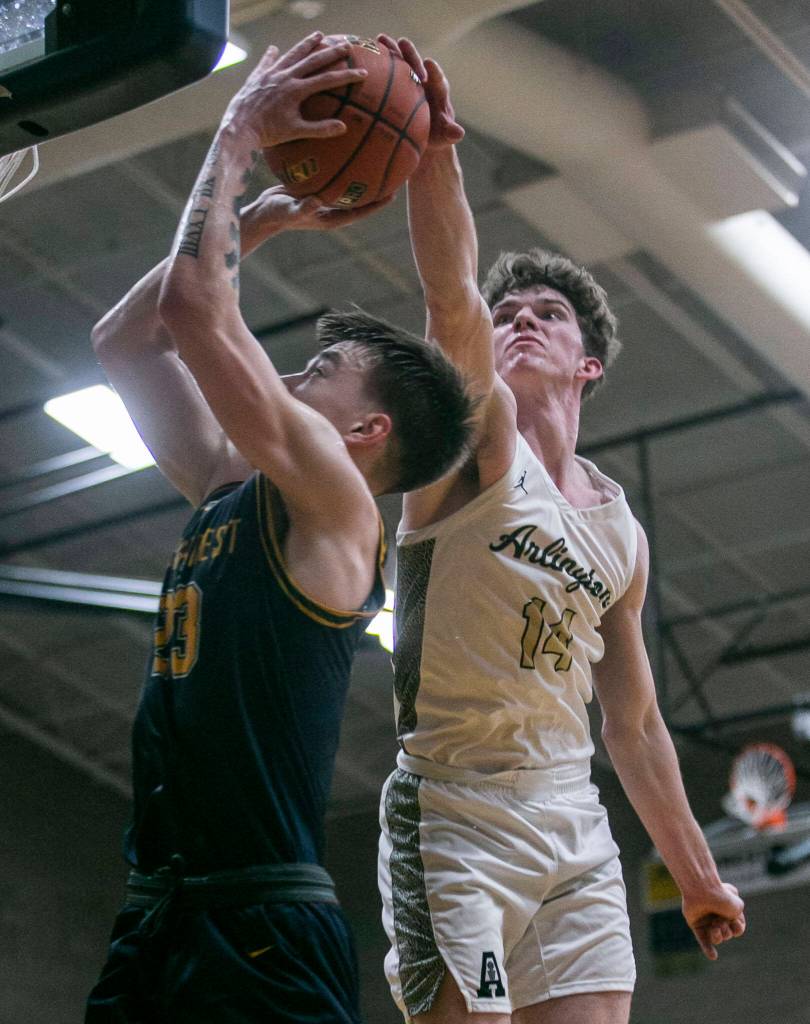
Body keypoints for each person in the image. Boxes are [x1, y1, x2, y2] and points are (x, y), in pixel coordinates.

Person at [84, 34, 475, 1024]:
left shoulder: (341, 511)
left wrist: (243, 127)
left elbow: (193, 306)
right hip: (158, 910)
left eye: (328, 364)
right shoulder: (232, 479)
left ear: (366, 430)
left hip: (258, 927)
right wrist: (249, 226)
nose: (299, 368)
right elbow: (125, 341)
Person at [376, 38, 746, 1024]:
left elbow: (632, 723)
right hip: (452, 814)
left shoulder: (620, 526)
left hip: (571, 824)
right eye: (511, 315)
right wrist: (434, 152)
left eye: (550, 315)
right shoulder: (471, 437)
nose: (524, 322)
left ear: (588, 367)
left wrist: (697, 872)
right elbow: (450, 298)